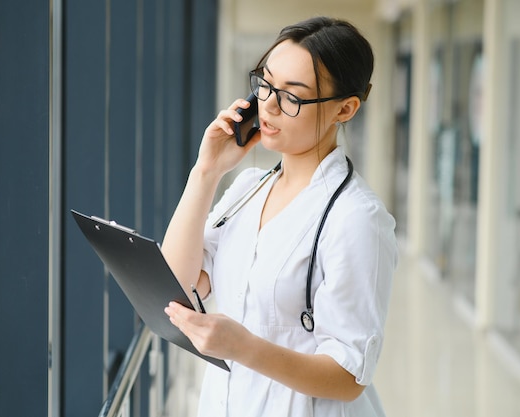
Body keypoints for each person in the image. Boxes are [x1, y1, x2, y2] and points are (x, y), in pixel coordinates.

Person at [162, 16, 397, 417]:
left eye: (292, 97)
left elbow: (348, 377)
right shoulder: (248, 187)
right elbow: (179, 280)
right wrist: (206, 171)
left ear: (345, 108)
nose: (268, 105)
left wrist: (243, 347)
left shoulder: (357, 218)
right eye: (266, 84)